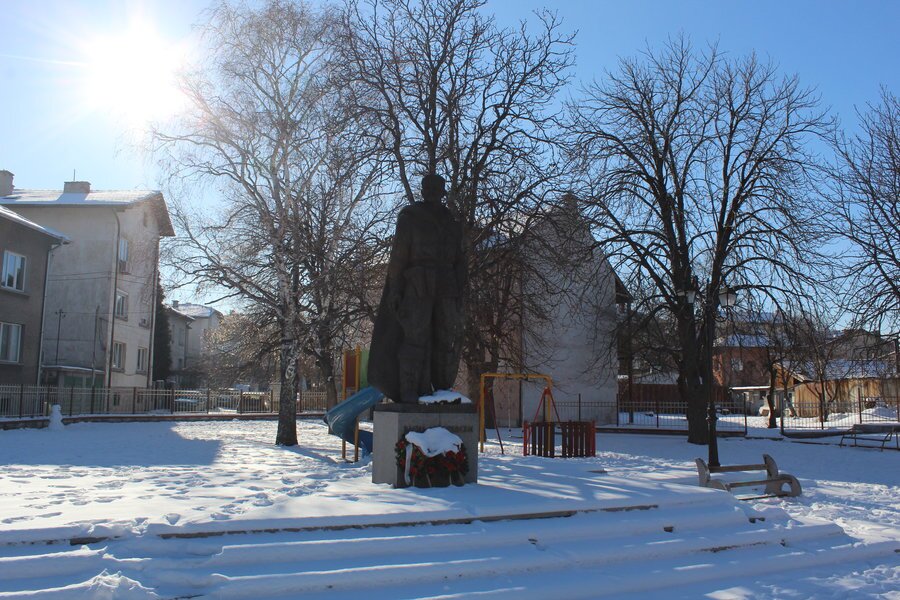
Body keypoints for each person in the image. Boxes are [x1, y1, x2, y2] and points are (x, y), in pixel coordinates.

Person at [368, 174, 467, 403]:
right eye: (428, 188)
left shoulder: (452, 224)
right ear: (423, 191)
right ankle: (409, 390)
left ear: (442, 192)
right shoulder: (410, 218)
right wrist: (395, 289)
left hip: (446, 284)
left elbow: (460, 260)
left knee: (445, 337)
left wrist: (460, 290)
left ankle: (441, 389)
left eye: (436, 188)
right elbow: (399, 257)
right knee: (415, 337)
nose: (432, 192)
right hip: (418, 282)